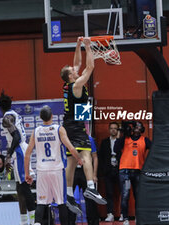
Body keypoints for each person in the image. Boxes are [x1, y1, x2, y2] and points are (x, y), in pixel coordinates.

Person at [60, 37, 106, 210]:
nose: (75, 68)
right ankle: (91, 188)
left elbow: (77, 62)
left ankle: (69, 195)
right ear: (71, 75)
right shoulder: (77, 84)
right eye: (73, 70)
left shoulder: (68, 84)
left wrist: (78, 45)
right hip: (76, 126)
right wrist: (89, 47)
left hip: (71, 124)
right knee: (86, 155)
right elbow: (90, 67)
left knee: (71, 162)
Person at [24, 105, 83, 225]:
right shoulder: (58, 129)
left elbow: (27, 155)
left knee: (41, 202)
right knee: (61, 202)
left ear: (40, 117)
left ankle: (36, 223)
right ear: (52, 116)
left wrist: (27, 174)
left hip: (42, 170)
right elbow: (71, 148)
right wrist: (79, 159)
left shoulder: (36, 131)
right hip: (57, 170)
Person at [0, 91, 36, 225]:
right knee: (19, 188)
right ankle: (24, 221)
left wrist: (8, 156)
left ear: (0, 107)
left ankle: (34, 221)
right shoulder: (14, 114)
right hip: (21, 149)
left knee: (25, 187)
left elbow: (16, 137)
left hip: (19, 151)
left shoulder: (6, 118)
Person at [115, 121, 151, 225]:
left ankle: (138, 217)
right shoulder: (125, 139)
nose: (136, 128)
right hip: (125, 170)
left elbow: (154, 150)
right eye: (135, 126)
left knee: (138, 195)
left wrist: (147, 163)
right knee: (125, 195)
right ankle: (125, 218)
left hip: (138, 171)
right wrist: (124, 132)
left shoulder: (145, 140)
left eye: (139, 126)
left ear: (142, 129)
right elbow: (116, 148)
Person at [67, 136, 100, 225]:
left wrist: (94, 174)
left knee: (90, 199)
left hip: (85, 171)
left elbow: (95, 157)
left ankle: (93, 222)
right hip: (72, 171)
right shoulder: (67, 137)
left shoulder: (89, 138)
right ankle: (70, 222)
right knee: (69, 198)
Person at [99, 122, 122, 222]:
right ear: (109, 130)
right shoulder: (104, 142)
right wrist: (102, 171)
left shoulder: (121, 141)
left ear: (117, 130)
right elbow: (101, 157)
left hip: (120, 170)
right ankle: (110, 214)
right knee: (109, 193)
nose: (113, 130)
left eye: (115, 128)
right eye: (111, 128)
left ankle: (123, 214)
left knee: (123, 193)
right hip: (108, 171)